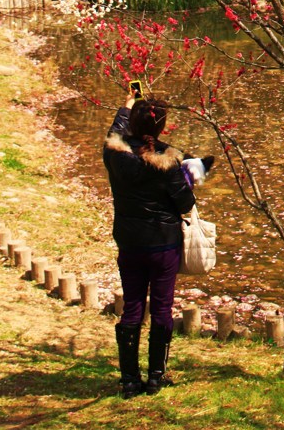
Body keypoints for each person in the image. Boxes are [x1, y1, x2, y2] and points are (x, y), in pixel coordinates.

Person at [103, 90, 213, 398]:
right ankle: (155, 377)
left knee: (132, 307)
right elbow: (185, 203)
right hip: (164, 246)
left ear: (132, 126)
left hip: (130, 243)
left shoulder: (114, 155)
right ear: (161, 128)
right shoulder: (169, 162)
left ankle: (128, 380)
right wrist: (194, 176)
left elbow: (115, 132)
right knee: (162, 308)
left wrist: (125, 104)